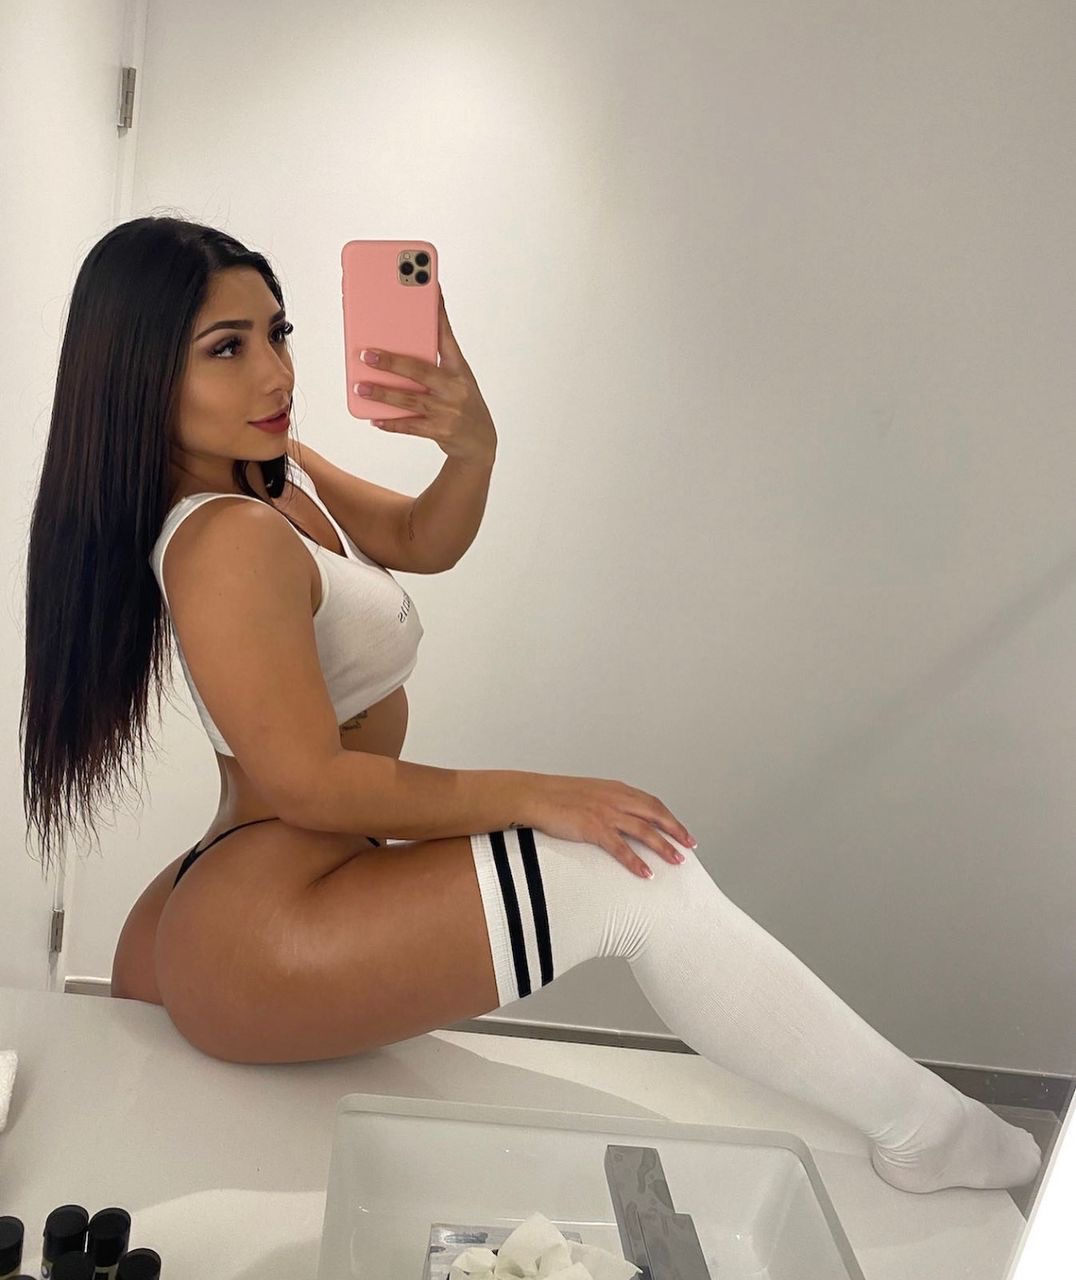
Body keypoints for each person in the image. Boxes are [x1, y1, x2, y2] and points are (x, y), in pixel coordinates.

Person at [22, 217, 1041, 1198]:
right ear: (139, 373)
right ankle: (928, 1133)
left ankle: (929, 1129)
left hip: (243, 887)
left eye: (278, 332)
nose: (277, 373)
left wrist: (471, 448)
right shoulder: (224, 541)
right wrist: (542, 795)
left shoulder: (273, 478)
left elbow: (421, 538)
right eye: (227, 348)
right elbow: (309, 783)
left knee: (622, 861)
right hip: (264, 920)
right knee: (633, 874)